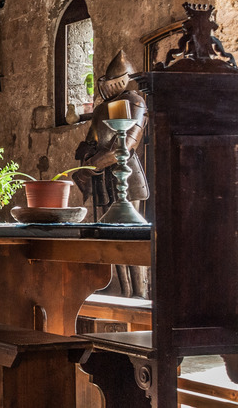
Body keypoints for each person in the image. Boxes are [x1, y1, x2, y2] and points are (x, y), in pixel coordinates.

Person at [73, 49, 150, 298]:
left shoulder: (135, 102)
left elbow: (126, 144)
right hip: (103, 178)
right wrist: (87, 157)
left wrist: (94, 164)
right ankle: (123, 292)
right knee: (110, 236)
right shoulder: (100, 110)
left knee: (131, 235)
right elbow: (91, 141)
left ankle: (139, 293)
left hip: (127, 174)